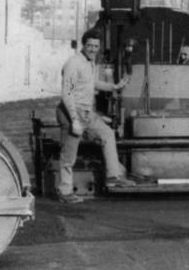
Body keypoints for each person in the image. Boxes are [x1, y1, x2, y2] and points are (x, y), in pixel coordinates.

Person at [56, 29, 137, 203]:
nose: (93, 49)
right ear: (83, 45)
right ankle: (65, 192)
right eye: (90, 45)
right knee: (69, 155)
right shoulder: (73, 63)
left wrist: (113, 87)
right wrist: (74, 120)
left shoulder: (89, 62)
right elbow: (67, 94)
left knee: (107, 134)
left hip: (86, 112)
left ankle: (113, 177)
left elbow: (91, 83)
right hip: (71, 112)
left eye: (96, 46)